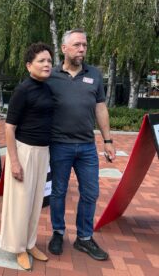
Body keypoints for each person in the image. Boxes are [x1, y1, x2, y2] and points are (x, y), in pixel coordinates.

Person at [45, 28, 116, 261]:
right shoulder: (51, 76)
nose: (82, 49)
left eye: (84, 45)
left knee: (91, 192)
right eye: (77, 45)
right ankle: (57, 232)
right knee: (58, 192)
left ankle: (84, 238)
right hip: (59, 145)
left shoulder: (94, 74)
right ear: (64, 48)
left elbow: (101, 108)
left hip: (86, 147)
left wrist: (107, 141)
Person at [0, 42, 53, 271]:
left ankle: (30, 243)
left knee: (34, 203)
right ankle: (18, 247)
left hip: (43, 152)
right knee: (19, 203)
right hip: (23, 151)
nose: (47, 64)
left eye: (49, 60)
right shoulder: (23, 90)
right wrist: (14, 162)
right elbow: (9, 128)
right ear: (29, 65)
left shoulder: (48, 88)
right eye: (41, 61)